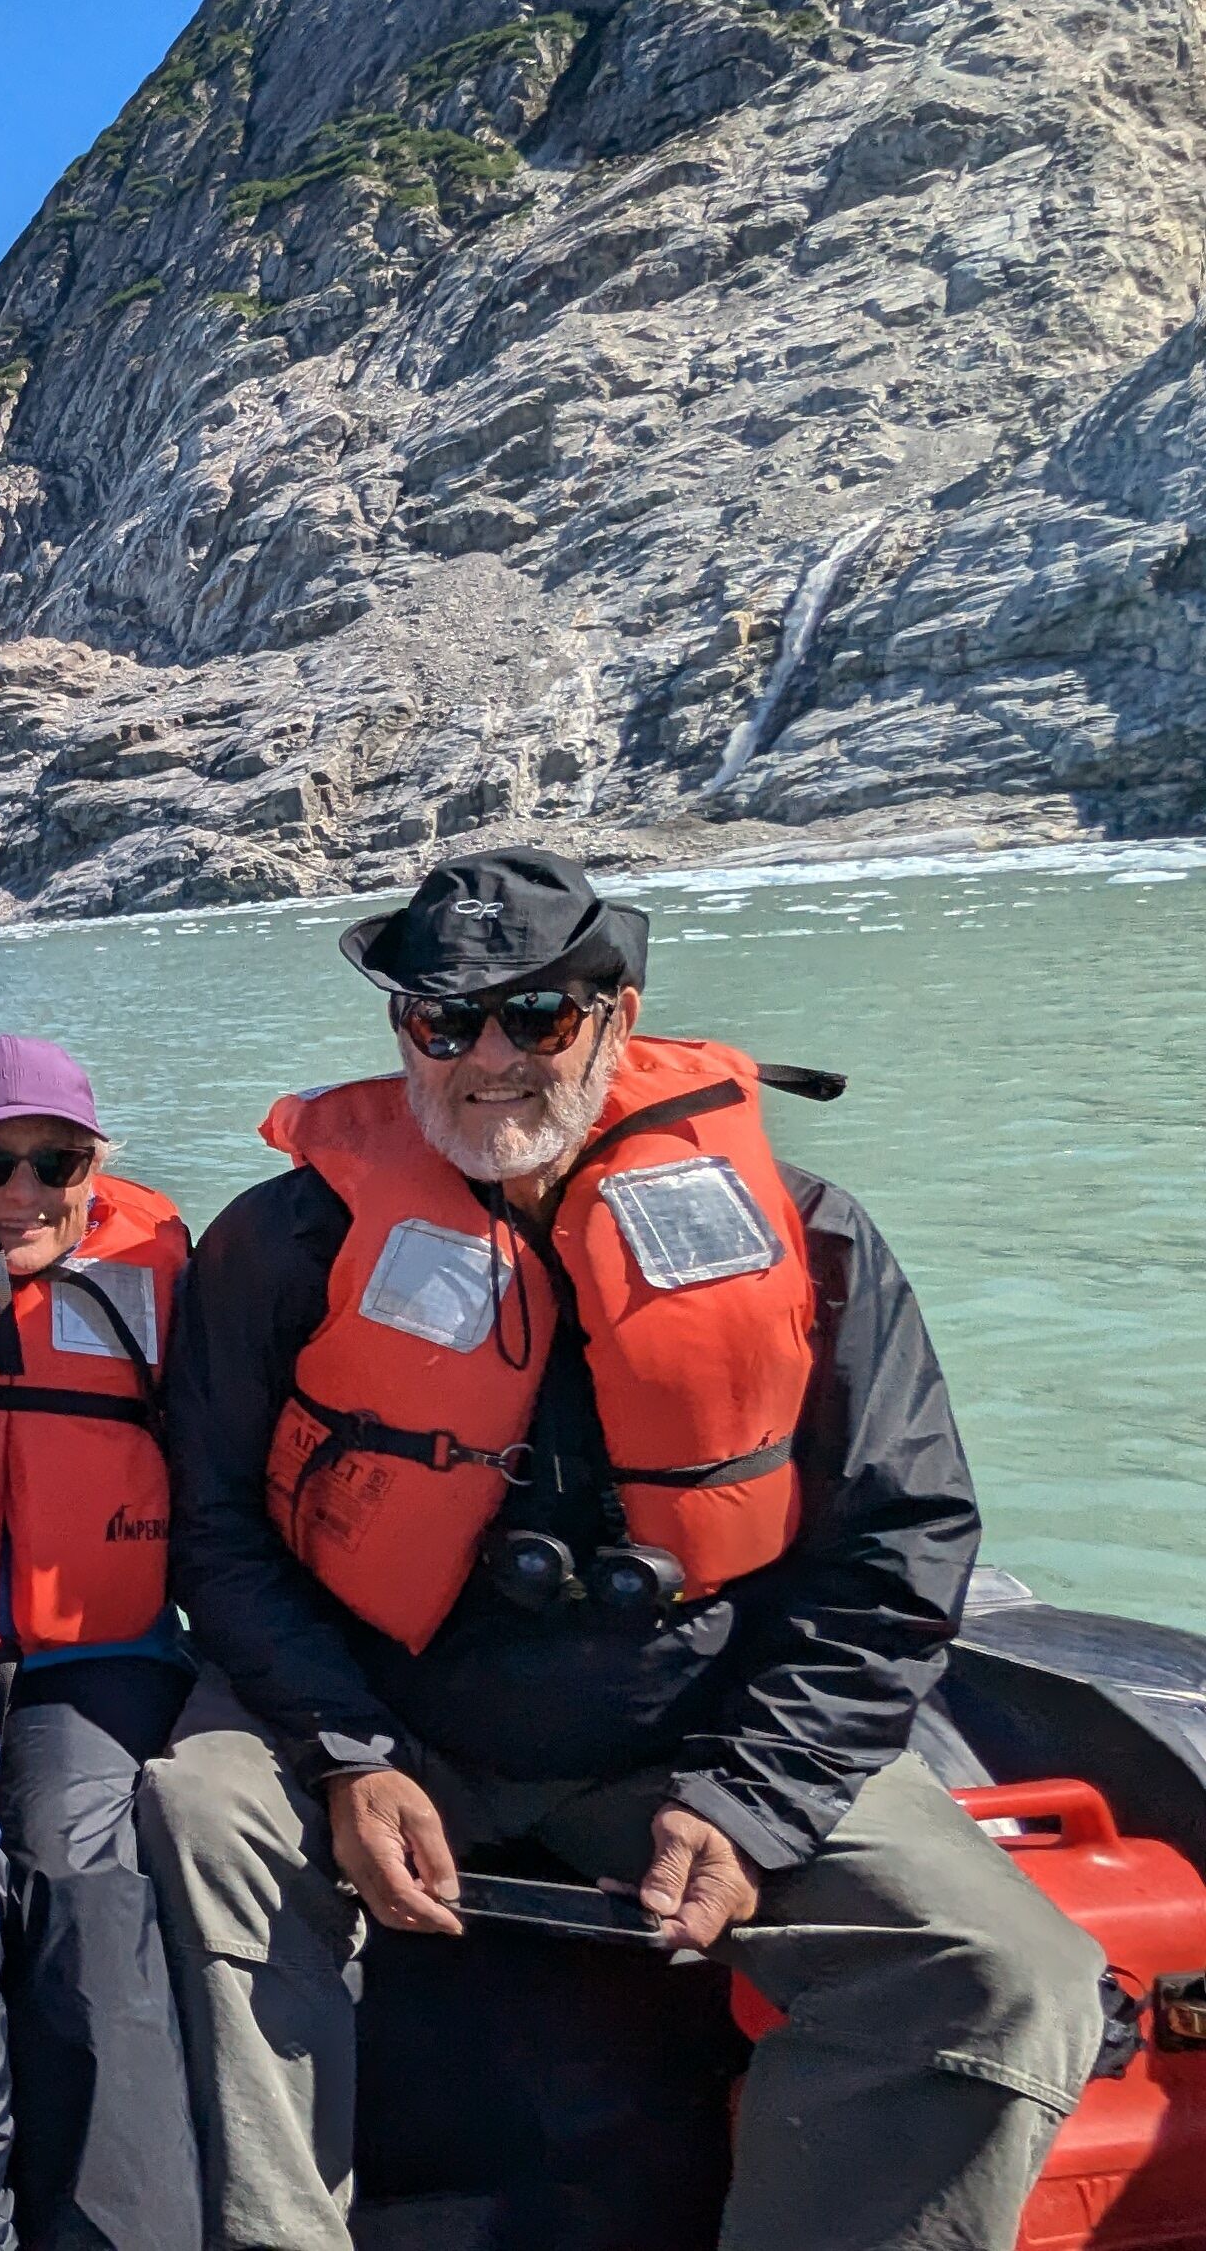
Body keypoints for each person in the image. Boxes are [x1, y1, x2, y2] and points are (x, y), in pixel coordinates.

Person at [138, 847, 1105, 2251]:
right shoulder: (286, 1239)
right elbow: (218, 1528)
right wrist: (347, 1754)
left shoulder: (809, 1235)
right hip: (371, 1711)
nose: (489, 1060)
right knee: (200, 1817)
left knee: (1004, 1968)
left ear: (618, 1018)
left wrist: (753, 1805)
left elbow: (901, 1544)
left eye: (537, 1017)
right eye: (443, 1021)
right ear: (403, 1031)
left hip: (696, 1725)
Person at [0, 1038, 199, 2251]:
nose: (24, 1193)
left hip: (92, 1661)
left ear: (94, 1167)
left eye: (57, 1164)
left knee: (78, 1884)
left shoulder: (161, 1269)